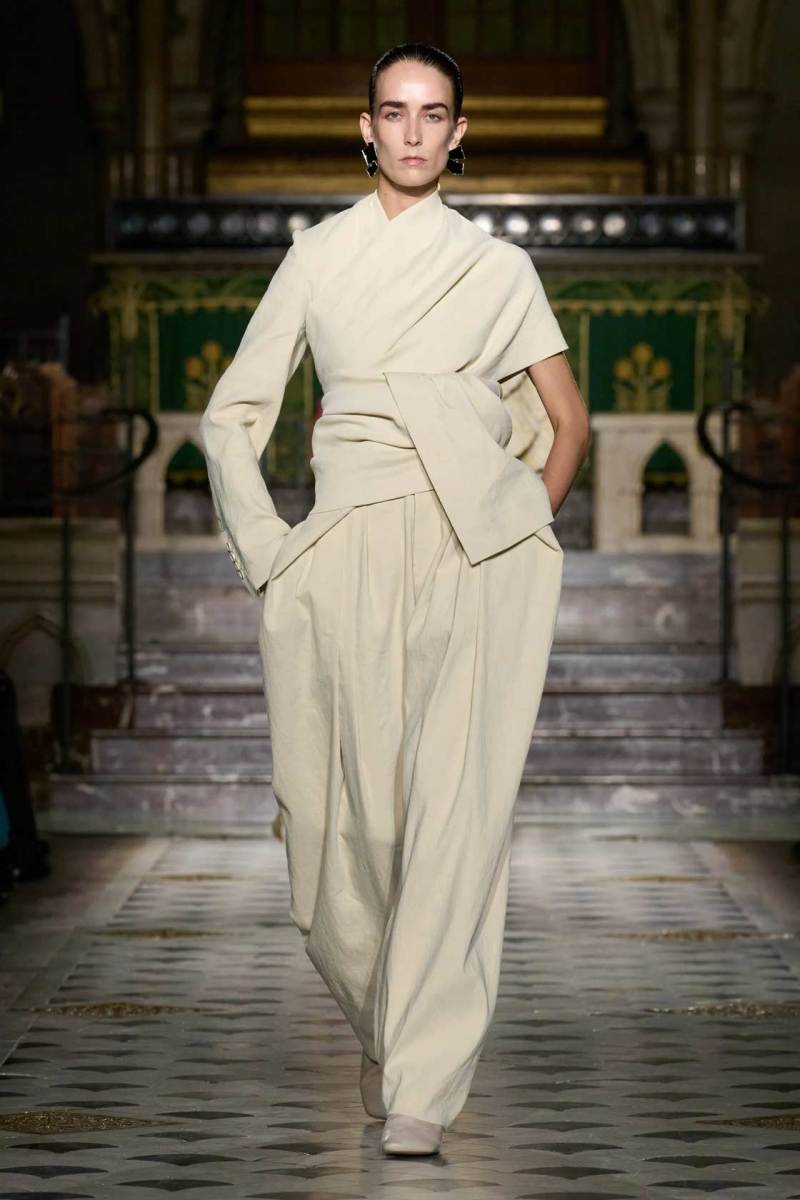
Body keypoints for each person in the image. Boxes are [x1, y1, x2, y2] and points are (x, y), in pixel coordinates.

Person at [199, 42, 591, 1158]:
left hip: (470, 557)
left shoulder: (497, 268)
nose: (413, 132)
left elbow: (567, 424)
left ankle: (423, 1073)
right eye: (393, 112)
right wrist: (271, 553)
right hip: (341, 555)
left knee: (455, 817)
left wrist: (516, 532)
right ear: (365, 129)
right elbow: (232, 415)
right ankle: (386, 1019)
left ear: (458, 132)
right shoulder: (317, 258)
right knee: (343, 828)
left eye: (433, 114)